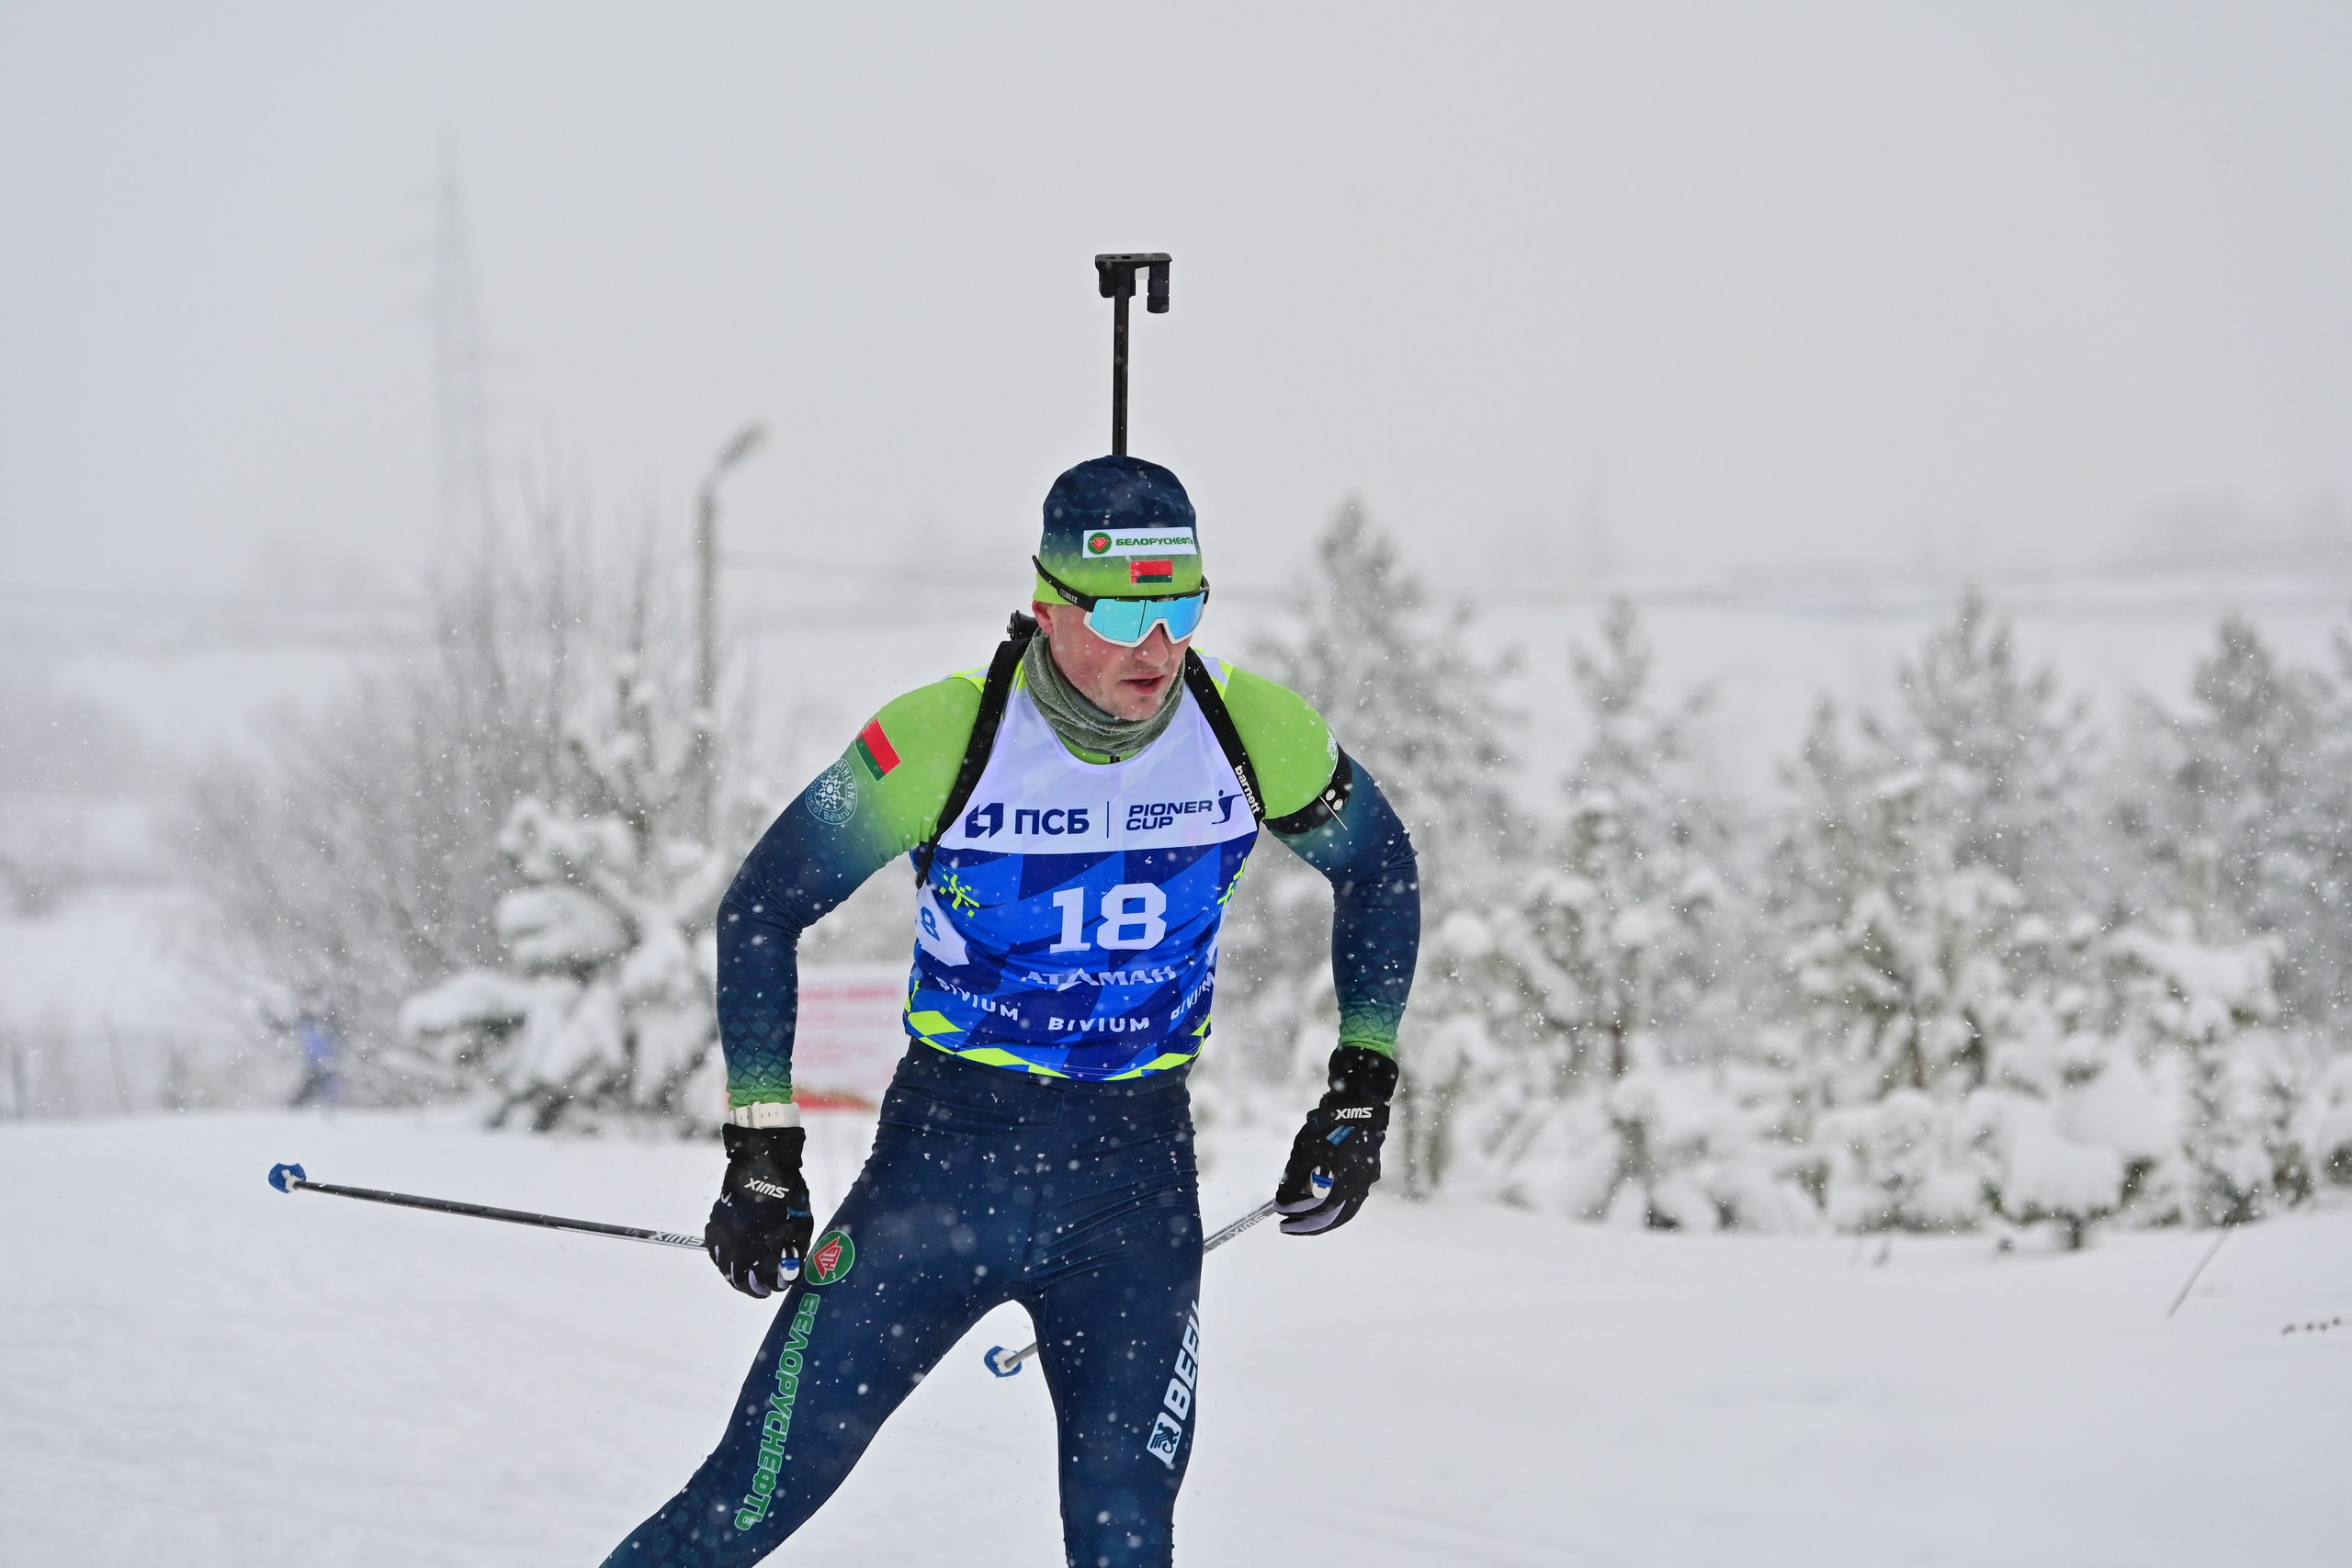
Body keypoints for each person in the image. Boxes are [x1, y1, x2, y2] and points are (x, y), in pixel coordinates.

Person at [604, 456, 1420, 1568]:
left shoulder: (1249, 729)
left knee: (1123, 1541)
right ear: (1048, 604)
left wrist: (1358, 1095)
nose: (1157, 645)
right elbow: (761, 910)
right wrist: (761, 1155)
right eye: (1125, 610)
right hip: (943, 1172)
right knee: (741, 1508)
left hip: (1130, 1195)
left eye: (1180, 606)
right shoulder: (946, 736)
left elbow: (1379, 865)